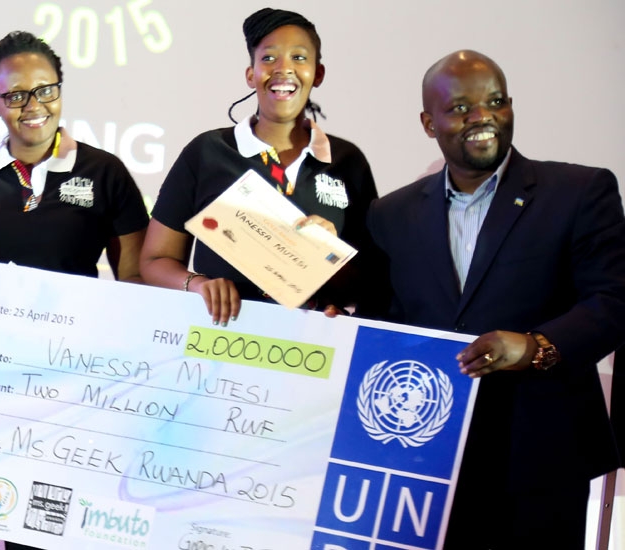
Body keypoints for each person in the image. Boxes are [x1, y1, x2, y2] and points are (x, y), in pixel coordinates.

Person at [366, 49, 625, 549]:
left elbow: (614, 302)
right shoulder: (391, 214)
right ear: (428, 123)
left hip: (541, 454)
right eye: (460, 107)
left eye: (496, 101)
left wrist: (532, 346)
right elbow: (385, 321)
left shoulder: (579, 191)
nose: (482, 116)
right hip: (427, 457)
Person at [0, 30, 149, 549]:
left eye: (46, 89)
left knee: (40, 538)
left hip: (66, 397)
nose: (34, 104)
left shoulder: (105, 173)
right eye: (15, 95)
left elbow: (137, 282)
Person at [139, 7, 381, 324]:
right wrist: (197, 284)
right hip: (219, 335)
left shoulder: (347, 162)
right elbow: (155, 260)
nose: (284, 69)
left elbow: (371, 280)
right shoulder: (208, 152)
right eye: (268, 58)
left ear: (318, 73)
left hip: (308, 341)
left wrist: (329, 256)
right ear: (250, 74)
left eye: (299, 57)